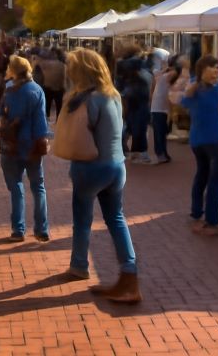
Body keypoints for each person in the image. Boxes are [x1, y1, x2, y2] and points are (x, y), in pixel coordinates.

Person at [64, 48, 140, 303]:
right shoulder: (114, 95)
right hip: (117, 165)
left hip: (90, 166)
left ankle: (78, 265)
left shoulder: (84, 99)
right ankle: (129, 275)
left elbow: (74, 134)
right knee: (116, 218)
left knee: (83, 218)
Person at [0, 55, 50, 241]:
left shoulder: (9, 90)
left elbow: (1, 113)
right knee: (38, 187)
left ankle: (18, 229)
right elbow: (41, 119)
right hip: (33, 143)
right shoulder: (37, 90)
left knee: (16, 187)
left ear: (13, 70)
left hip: (12, 144)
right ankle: (41, 228)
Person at [181, 55, 218, 236]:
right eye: (212, 67)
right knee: (215, 179)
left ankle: (196, 211)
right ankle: (211, 220)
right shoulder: (197, 87)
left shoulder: (212, 86)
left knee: (202, 174)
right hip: (213, 140)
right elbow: (184, 101)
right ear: (202, 69)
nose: (217, 71)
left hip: (199, 139)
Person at [150, 56, 179, 165]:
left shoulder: (164, 76)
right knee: (159, 132)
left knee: (163, 132)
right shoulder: (164, 76)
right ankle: (160, 154)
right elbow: (173, 73)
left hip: (163, 108)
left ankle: (163, 153)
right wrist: (167, 68)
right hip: (158, 108)